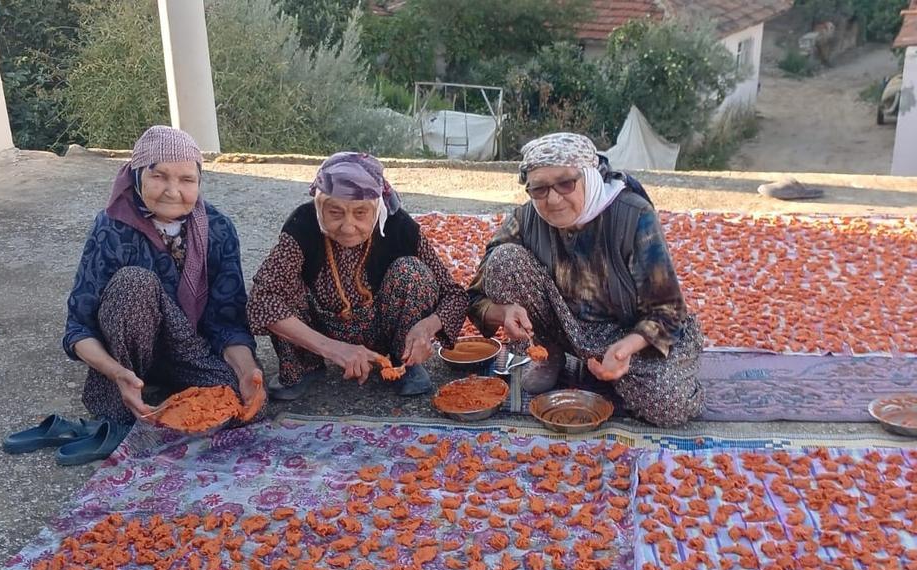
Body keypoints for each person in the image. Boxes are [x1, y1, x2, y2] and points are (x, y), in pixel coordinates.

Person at [467, 132, 703, 427]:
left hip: (626, 334)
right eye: (539, 189)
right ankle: (548, 354)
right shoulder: (526, 219)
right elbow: (474, 296)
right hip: (567, 329)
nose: (553, 199)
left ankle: (612, 372)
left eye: (566, 183)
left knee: (669, 404)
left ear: (591, 177)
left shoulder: (632, 216)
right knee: (504, 260)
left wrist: (626, 349)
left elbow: (667, 310)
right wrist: (504, 313)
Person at [63, 126, 261, 427]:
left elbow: (228, 322)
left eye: (186, 180)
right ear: (136, 176)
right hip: (125, 358)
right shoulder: (111, 228)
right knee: (134, 283)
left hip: (190, 349)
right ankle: (127, 389)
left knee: (238, 406)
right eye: (159, 176)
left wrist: (247, 371)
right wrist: (115, 372)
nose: (173, 191)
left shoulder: (218, 229)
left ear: (199, 182)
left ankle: (175, 386)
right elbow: (78, 328)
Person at [247, 152, 467, 400]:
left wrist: (426, 328)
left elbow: (455, 296)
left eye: (361, 213)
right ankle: (302, 365)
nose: (348, 227)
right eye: (335, 213)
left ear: (377, 209)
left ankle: (402, 362)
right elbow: (261, 300)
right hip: (317, 328)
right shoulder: (303, 225)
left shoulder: (399, 227)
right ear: (320, 207)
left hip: (382, 328)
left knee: (412, 273)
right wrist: (333, 349)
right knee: (280, 283)